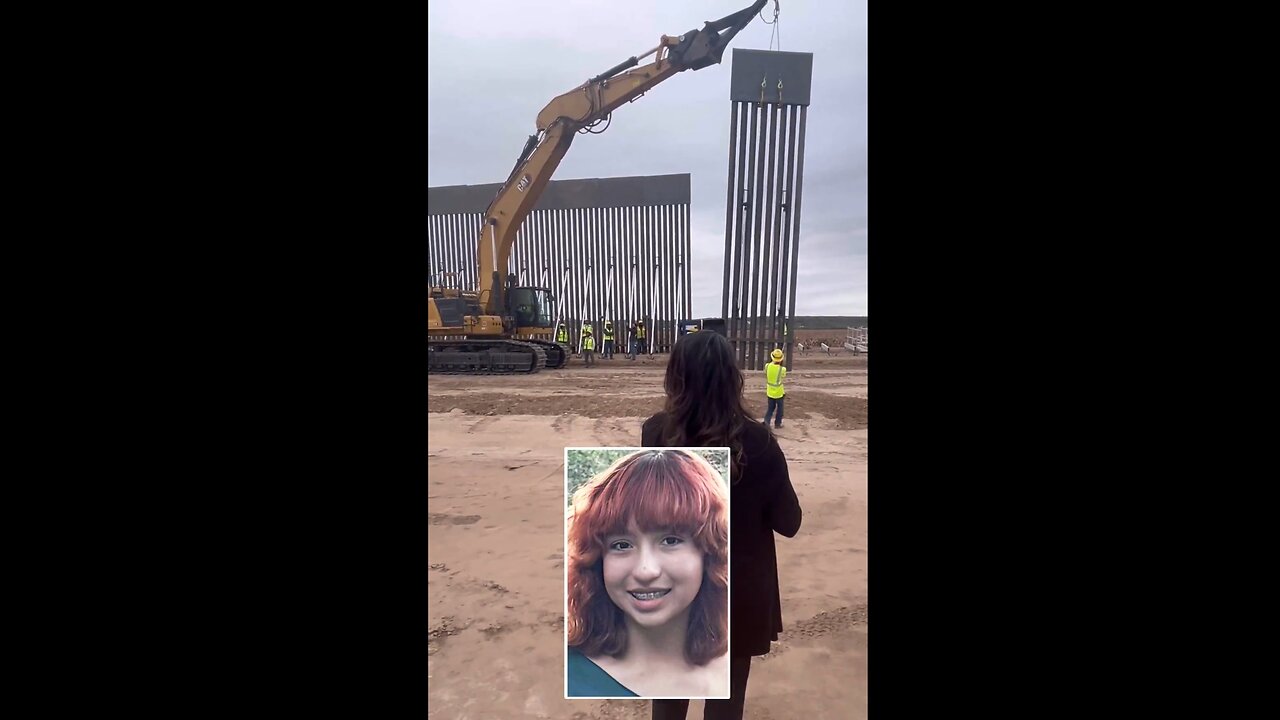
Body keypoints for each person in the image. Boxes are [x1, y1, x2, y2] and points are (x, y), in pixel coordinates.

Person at [641, 331, 803, 720]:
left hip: (673, 589)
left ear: (675, 377)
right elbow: (789, 522)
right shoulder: (759, 442)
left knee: (668, 699)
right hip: (737, 595)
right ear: (733, 378)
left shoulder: (655, 432)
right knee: (726, 707)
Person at [566, 449, 730, 698]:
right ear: (596, 561)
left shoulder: (735, 669)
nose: (646, 571)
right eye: (621, 545)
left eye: (671, 540)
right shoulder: (570, 676)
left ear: (710, 553)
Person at [763, 348, 787, 429]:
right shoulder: (782, 369)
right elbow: (783, 376)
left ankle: (766, 423)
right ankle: (777, 424)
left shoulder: (767, 366)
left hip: (769, 391)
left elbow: (766, 372)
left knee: (770, 408)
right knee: (780, 410)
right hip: (779, 393)